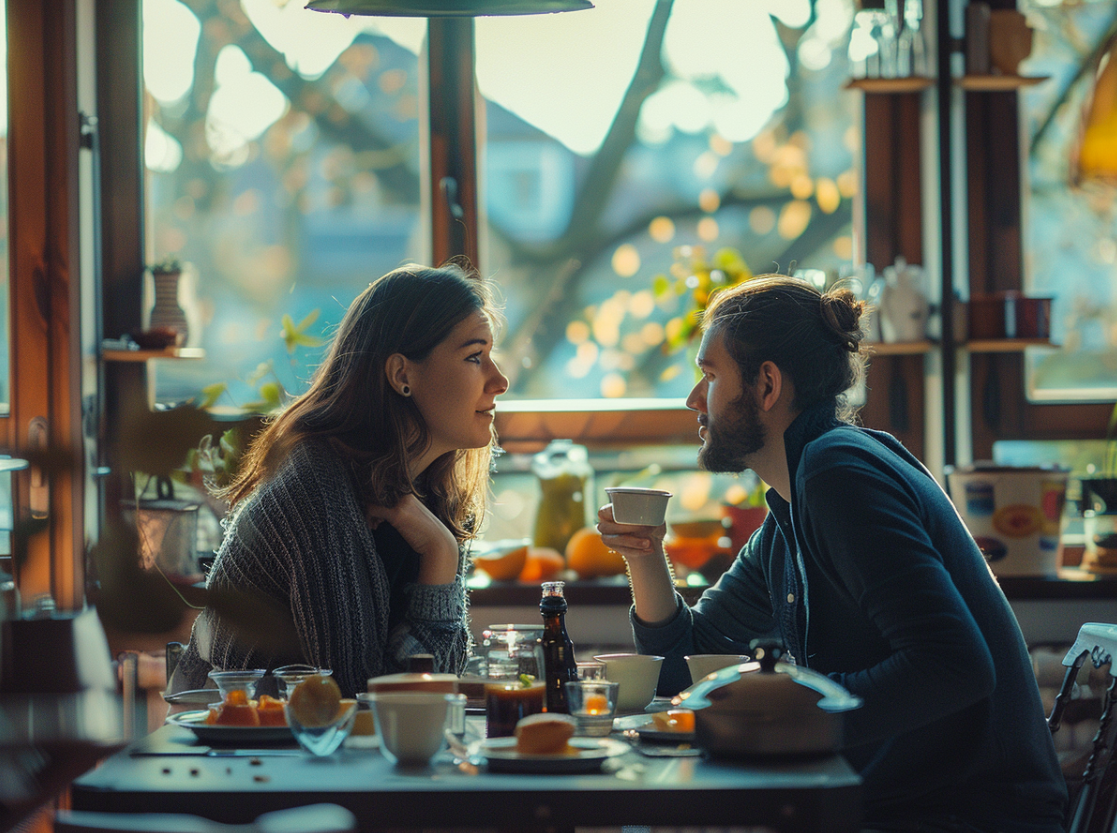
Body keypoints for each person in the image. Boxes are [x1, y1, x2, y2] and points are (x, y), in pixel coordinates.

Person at [597, 275, 1067, 833]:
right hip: (892, 806)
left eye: (710, 375)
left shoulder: (838, 473)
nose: (694, 399)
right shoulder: (796, 504)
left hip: (961, 816)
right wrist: (644, 554)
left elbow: (954, 666)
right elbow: (685, 663)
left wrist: (784, 721)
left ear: (767, 385)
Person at [172, 263, 509, 698]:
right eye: (473, 357)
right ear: (402, 375)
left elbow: (431, 694)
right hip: (236, 755)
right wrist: (441, 551)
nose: (499, 380)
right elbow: (355, 698)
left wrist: (438, 547)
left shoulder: (425, 494)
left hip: (309, 755)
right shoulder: (317, 490)